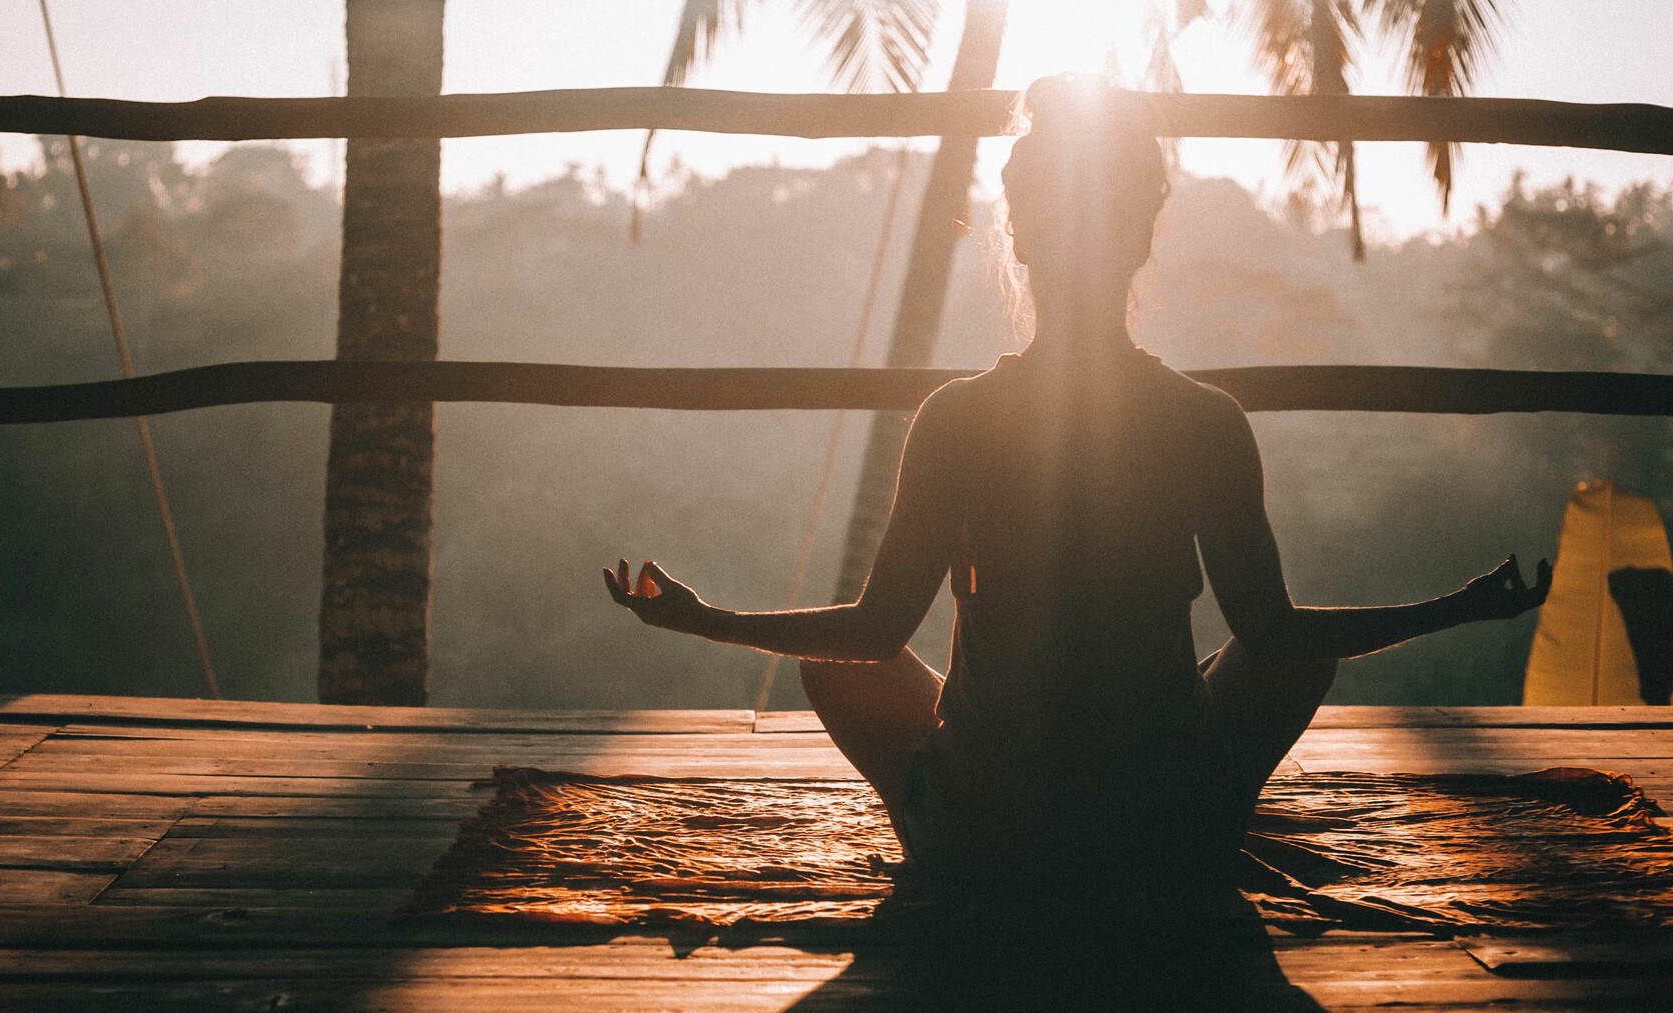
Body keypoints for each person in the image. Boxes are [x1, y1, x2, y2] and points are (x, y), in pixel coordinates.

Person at [604, 76, 1550, 906]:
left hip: (995, 838)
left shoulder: (958, 418)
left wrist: (705, 617)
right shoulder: (1205, 420)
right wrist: (1459, 607)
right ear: (1142, 240)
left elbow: (875, 632)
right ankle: (1206, 821)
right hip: (1163, 834)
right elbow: (1276, 635)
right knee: (1293, 655)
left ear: (1018, 239)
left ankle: (945, 840)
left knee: (838, 666)